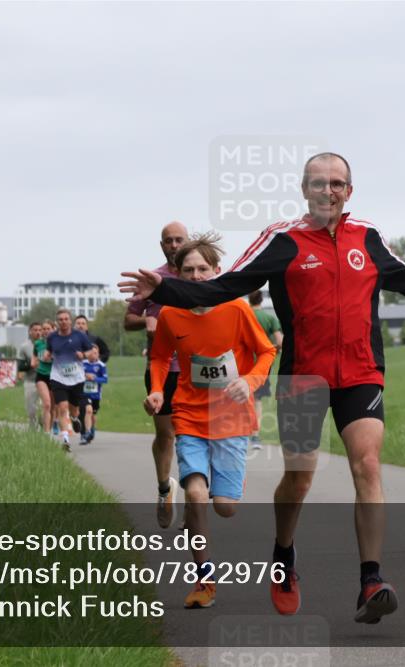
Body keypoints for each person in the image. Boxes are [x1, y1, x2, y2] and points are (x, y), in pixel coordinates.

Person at [121, 152, 405, 623]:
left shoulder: (369, 236)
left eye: (338, 183)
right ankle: (283, 554)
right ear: (304, 190)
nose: (329, 191)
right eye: (319, 183)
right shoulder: (281, 241)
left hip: (362, 372)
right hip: (303, 376)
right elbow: (223, 287)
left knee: (367, 462)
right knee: (300, 478)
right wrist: (161, 292)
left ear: (350, 190)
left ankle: (371, 579)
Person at [143, 233, 277, 609]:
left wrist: (250, 381)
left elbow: (266, 351)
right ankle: (205, 582)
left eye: (204, 268)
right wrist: (157, 390)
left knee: (225, 506)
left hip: (231, 419)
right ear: (177, 276)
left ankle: (198, 502)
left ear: (217, 271)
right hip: (188, 414)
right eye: (189, 270)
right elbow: (159, 358)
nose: (198, 276)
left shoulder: (235, 308)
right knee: (198, 495)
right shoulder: (170, 313)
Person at [124, 221, 189, 529]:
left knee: (194, 437)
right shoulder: (152, 278)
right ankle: (165, 489)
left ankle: (195, 504)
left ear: (188, 242)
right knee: (166, 435)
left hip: (197, 368)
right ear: (161, 245)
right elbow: (129, 319)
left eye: (179, 240)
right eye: (168, 241)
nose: (174, 245)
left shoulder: (200, 274)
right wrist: (147, 323)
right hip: (161, 367)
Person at [47, 308, 92, 450]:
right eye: (60, 319)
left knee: (74, 409)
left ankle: (74, 418)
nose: (63, 322)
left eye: (66, 319)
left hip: (77, 378)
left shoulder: (80, 336)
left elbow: (90, 352)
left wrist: (83, 355)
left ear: (70, 321)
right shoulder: (52, 337)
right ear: (57, 322)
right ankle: (65, 439)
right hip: (58, 377)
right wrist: (47, 356)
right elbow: (48, 351)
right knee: (62, 407)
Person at [247, 290, 283, 450]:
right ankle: (255, 436)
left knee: (238, 400)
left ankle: (237, 433)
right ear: (261, 300)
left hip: (242, 364)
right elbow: (280, 341)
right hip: (262, 365)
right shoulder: (269, 318)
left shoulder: (244, 314)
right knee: (257, 401)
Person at [81, 345, 107, 444]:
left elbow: (105, 379)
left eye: (95, 353)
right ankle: (86, 433)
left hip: (96, 394)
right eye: (91, 353)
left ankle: (92, 430)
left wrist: (94, 378)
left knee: (92, 414)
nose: (93, 355)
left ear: (98, 354)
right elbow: (76, 376)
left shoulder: (101, 366)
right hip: (84, 393)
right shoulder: (83, 364)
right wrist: (85, 376)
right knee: (88, 411)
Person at [34, 320, 56, 436]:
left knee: (52, 407)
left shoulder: (58, 342)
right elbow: (34, 357)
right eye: (44, 329)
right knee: (46, 404)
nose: (46, 331)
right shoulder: (38, 344)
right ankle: (46, 434)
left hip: (54, 376)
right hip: (41, 375)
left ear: (53, 329)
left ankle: (49, 429)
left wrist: (52, 358)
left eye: (48, 328)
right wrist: (34, 362)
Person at [19, 323, 42, 429]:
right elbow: (20, 366)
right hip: (30, 381)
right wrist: (31, 365)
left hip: (44, 381)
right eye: (35, 330)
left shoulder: (47, 344)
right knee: (31, 409)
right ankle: (33, 430)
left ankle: (44, 429)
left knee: (44, 407)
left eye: (39, 330)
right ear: (30, 332)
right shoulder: (24, 347)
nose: (38, 332)